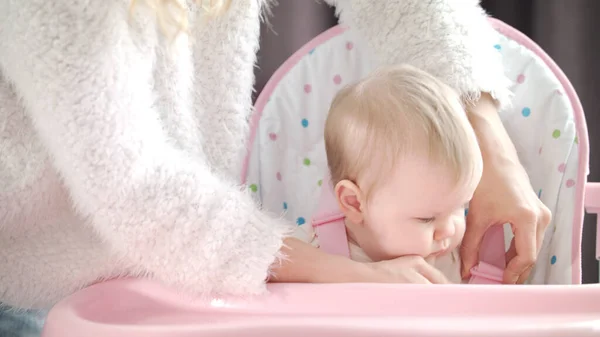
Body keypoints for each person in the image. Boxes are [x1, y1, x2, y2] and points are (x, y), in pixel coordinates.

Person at [0, 0, 551, 334]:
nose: (448, 229)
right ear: (351, 200)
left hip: (178, 283)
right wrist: (366, 279)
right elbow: (136, 185)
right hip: (34, 294)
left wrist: (487, 144)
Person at [303, 64, 482, 284]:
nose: (449, 230)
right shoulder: (311, 253)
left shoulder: (465, 260)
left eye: (461, 207)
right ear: (354, 204)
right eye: (427, 219)